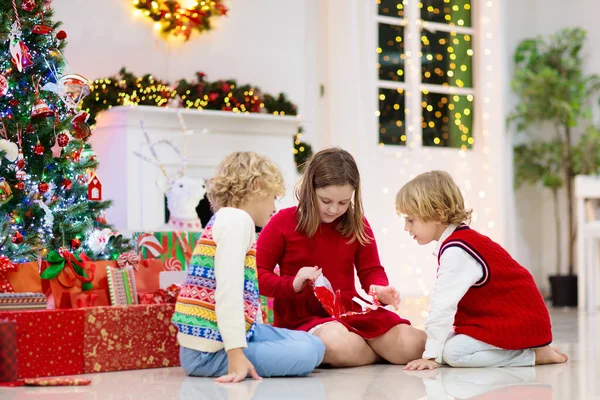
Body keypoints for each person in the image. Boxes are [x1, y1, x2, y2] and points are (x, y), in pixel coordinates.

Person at [257, 147, 426, 367]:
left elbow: (370, 270)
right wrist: (293, 284)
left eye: (343, 202)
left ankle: (366, 352)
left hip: (351, 310)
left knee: (415, 344)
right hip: (304, 317)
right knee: (336, 343)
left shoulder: (357, 223)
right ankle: (377, 353)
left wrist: (379, 288)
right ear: (310, 189)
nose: (334, 209)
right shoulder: (283, 222)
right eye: (325, 201)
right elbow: (256, 275)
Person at [172, 152, 325, 383]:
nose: (274, 208)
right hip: (208, 354)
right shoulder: (236, 221)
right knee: (307, 353)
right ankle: (235, 353)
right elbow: (228, 292)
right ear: (257, 186)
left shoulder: (229, 220)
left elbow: (245, 295)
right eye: (273, 197)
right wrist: (235, 355)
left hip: (234, 337)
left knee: (315, 345)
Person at [396, 170, 568, 370]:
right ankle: (532, 351)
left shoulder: (457, 251)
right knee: (447, 344)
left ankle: (531, 356)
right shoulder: (460, 241)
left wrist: (431, 356)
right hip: (505, 319)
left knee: (453, 354)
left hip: (516, 322)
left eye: (411, 220)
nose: (406, 228)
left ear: (438, 214)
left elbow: (442, 307)